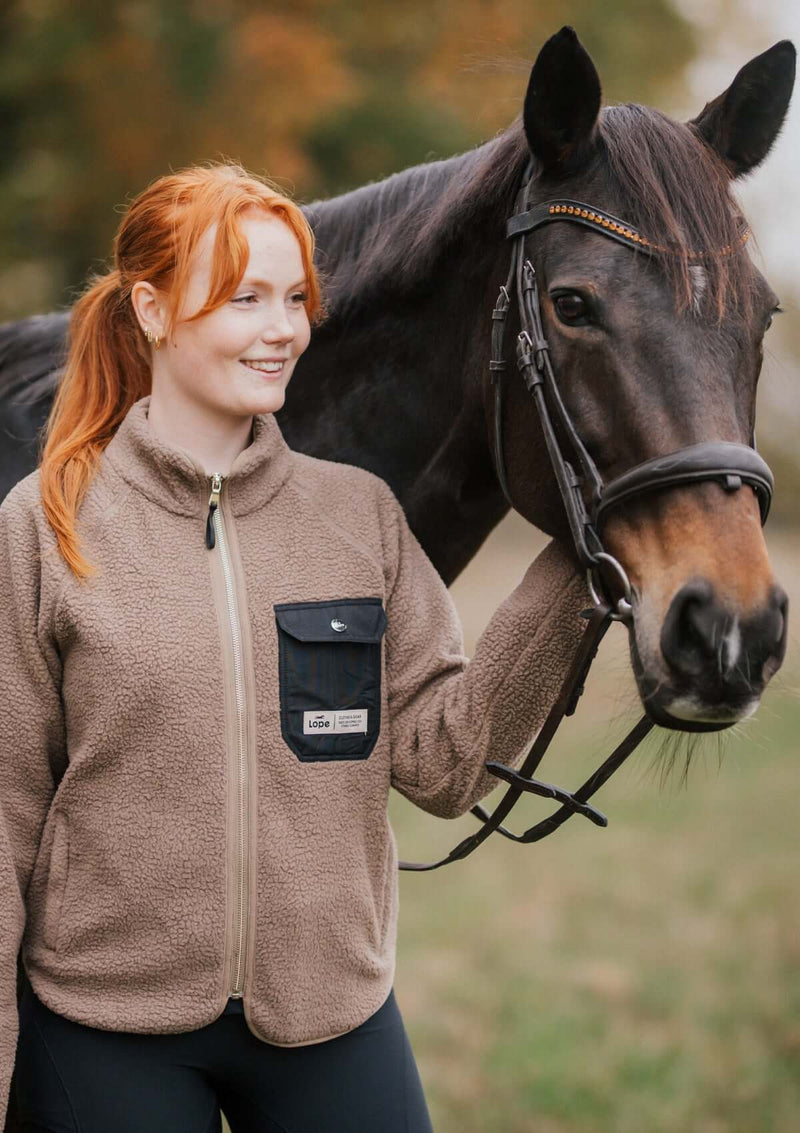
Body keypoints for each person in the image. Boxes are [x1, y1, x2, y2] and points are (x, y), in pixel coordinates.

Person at [0, 161, 588, 1132]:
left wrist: (576, 563)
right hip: (104, 1018)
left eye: (294, 300)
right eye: (244, 299)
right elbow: (8, 804)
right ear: (151, 310)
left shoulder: (357, 516)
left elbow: (441, 765)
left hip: (330, 1011)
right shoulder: (47, 523)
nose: (281, 330)